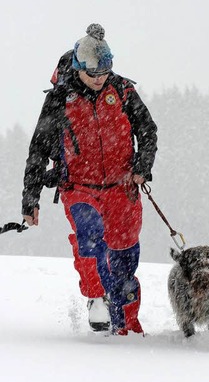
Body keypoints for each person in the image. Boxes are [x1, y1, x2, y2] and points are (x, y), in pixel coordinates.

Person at [21, 23, 157, 335]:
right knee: (90, 236)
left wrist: (142, 165)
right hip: (79, 186)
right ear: (79, 68)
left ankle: (126, 327)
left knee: (124, 256)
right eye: (92, 73)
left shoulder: (122, 90)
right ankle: (97, 296)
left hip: (123, 188)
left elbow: (147, 130)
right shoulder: (59, 99)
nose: (99, 79)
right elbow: (38, 150)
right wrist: (30, 198)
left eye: (104, 72)